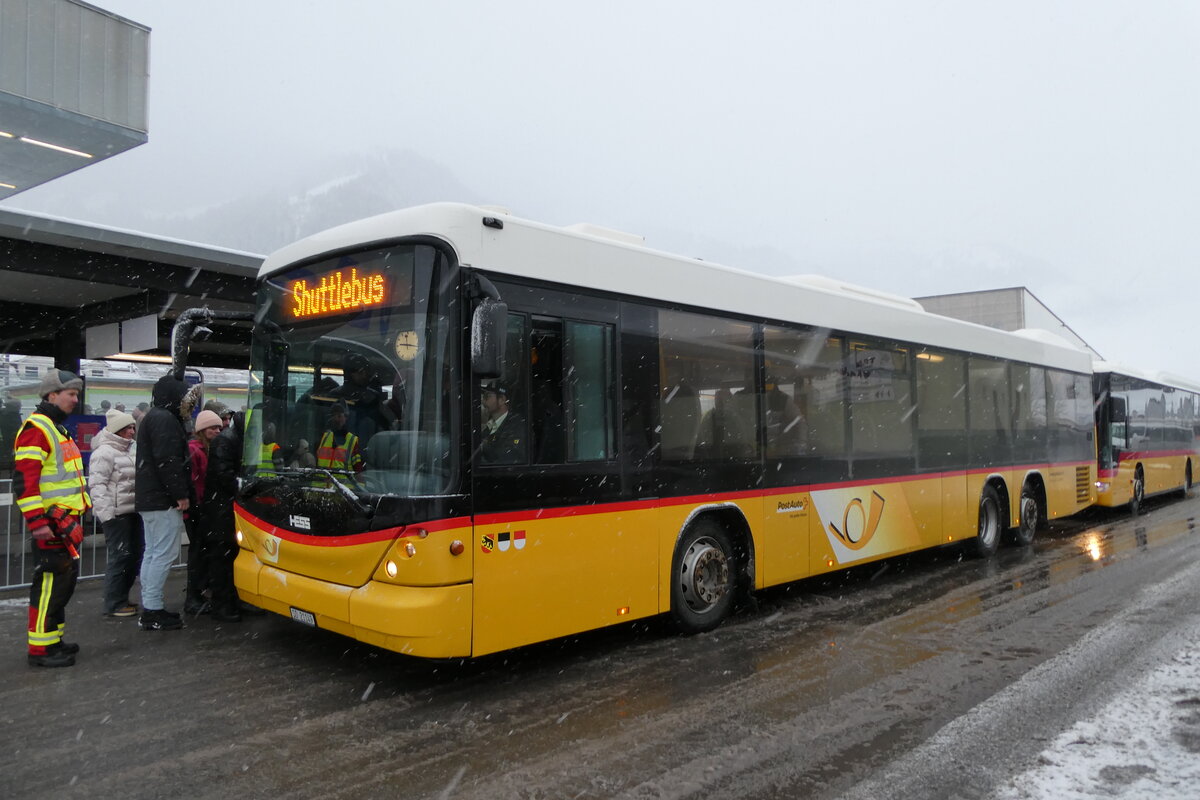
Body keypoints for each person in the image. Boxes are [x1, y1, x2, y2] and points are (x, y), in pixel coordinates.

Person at [14, 370, 90, 667]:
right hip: (52, 524)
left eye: (76, 394)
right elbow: (25, 481)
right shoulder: (39, 428)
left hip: (62, 523)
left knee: (61, 583)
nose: (75, 399)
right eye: (70, 394)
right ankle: (41, 649)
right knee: (50, 583)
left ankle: (52, 639)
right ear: (51, 395)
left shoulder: (54, 427)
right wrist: (38, 523)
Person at [134, 374, 191, 631]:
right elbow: (169, 461)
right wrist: (180, 493)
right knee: (163, 554)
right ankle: (153, 610)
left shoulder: (153, 417)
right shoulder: (166, 420)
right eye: (184, 396)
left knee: (152, 553)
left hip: (150, 498)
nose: (186, 402)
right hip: (162, 500)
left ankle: (150, 605)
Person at [203, 412, 262, 622]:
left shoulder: (231, 439)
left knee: (233, 556)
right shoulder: (226, 441)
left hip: (228, 507)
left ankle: (234, 599)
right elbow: (224, 476)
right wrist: (246, 484)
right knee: (223, 558)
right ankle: (223, 604)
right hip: (222, 509)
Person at [88, 409, 143, 618]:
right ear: (118, 430)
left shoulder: (129, 450)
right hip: (117, 515)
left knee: (132, 556)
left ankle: (121, 597)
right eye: (128, 428)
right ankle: (114, 602)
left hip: (132, 512)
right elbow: (97, 485)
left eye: (132, 427)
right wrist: (107, 516)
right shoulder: (103, 453)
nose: (132, 431)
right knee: (120, 557)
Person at [184, 409, 223, 615]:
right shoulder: (195, 450)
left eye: (218, 427)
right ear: (201, 429)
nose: (217, 430)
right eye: (212, 427)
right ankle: (193, 596)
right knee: (198, 553)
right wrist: (198, 504)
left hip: (204, 506)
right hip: (198, 508)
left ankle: (197, 593)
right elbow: (195, 482)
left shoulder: (206, 448)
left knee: (200, 552)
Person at [480, 381, 527, 464]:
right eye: (483, 397)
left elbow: (507, 458)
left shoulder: (517, 426)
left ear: (502, 400)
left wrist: (483, 446)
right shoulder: (490, 425)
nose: (483, 402)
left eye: (487, 397)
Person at [316, 403, 363, 472]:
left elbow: (358, 471)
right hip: (319, 482)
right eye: (333, 416)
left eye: (339, 416)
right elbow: (313, 464)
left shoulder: (352, 440)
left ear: (346, 418)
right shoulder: (324, 437)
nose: (335, 419)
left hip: (341, 483)